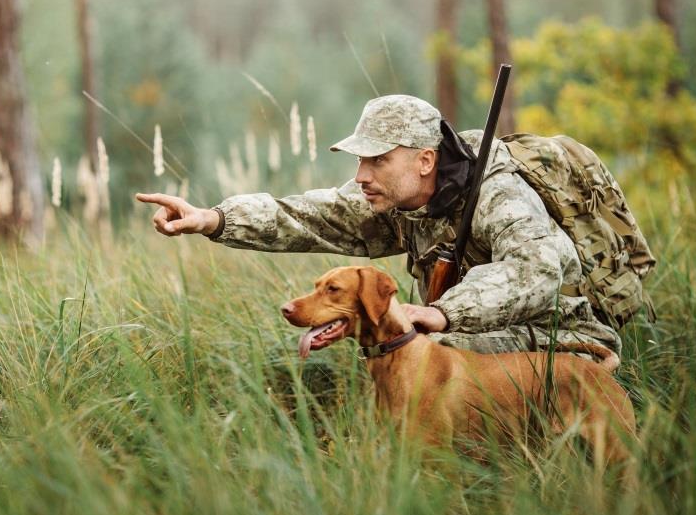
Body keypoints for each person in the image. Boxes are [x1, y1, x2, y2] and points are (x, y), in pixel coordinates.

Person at [135, 95, 620, 354]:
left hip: (563, 336)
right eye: (360, 160)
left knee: (429, 348)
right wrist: (212, 218)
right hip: (472, 335)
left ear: (425, 160)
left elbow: (538, 268)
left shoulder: (497, 191)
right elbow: (306, 215)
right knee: (411, 348)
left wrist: (444, 314)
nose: (361, 176)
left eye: (378, 161)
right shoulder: (392, 197)